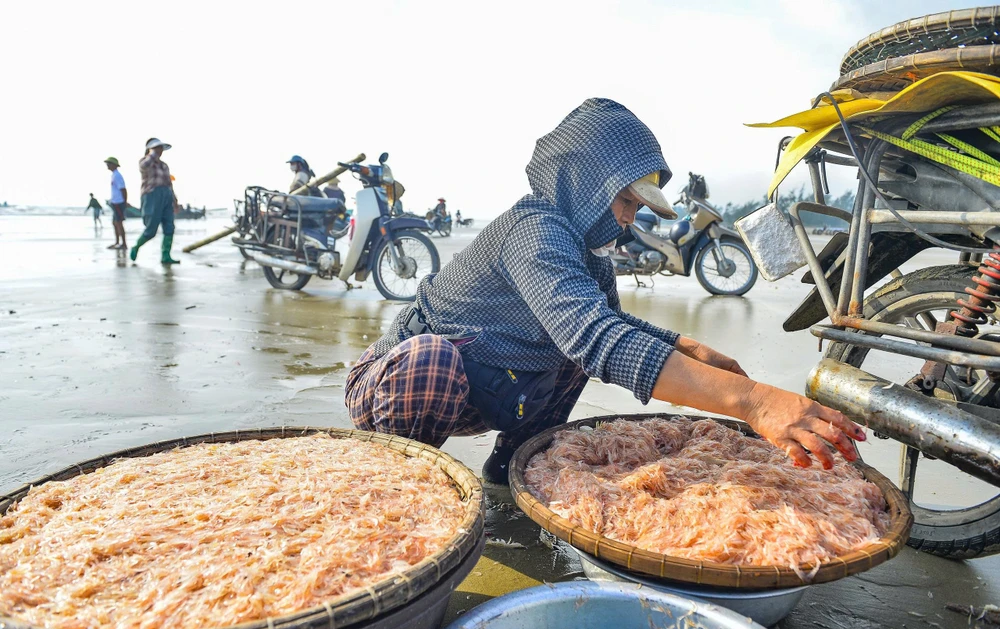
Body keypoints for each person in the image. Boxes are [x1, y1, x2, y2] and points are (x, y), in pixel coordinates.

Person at [345, 98, 865, 485]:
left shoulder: (590, 256)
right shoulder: (535, 229)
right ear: (585, 181)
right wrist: (754, 402)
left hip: (492, 388)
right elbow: (595, 337)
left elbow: (612, 326)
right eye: (625, 200)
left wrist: (684, 346)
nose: (628, 217)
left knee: (575, 357)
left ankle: (507, 473)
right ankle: (397, 481)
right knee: (436, 360)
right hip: (402, 387)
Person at [130, 138, 180, 265]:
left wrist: (174, 199)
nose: (160, 151)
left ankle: (165, 255)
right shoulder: (145, 162)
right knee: (151, 229)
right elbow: (144, 165)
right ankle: (136, 247)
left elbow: (169, 184)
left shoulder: (164, 166)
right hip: (152, 196)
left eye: (161, 149)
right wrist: (152, 153)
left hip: (166, 196)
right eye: (157, 148)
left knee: (169, 227)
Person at [104, 157, 128, 250]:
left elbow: (123, 189)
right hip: (115, 202)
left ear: (114, 165)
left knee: (119, 223)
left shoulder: (117, 175)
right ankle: (117, 242)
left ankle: (124, 244)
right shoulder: (114, 175)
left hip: (119, 202)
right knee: (115, 223)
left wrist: (124, 202)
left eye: (109, 163)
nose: (108, 165)